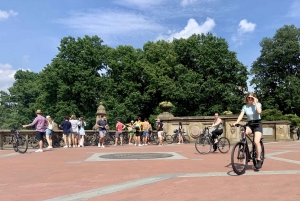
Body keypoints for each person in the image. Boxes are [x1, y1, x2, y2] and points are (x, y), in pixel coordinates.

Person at [233, 92, 263, 169]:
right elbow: (241, 115)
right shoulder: (245, 107)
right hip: (250, 124)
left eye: (251, 98)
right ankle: (244, 145)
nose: (250, 99)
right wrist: (237, 122)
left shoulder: (258, 104)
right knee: (243, 132)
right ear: (246, 99)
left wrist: (255, 103)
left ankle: (259, 159)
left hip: (257, 124)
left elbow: (259, 112)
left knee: (256, 142)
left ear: (254, 98)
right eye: (248, 98)